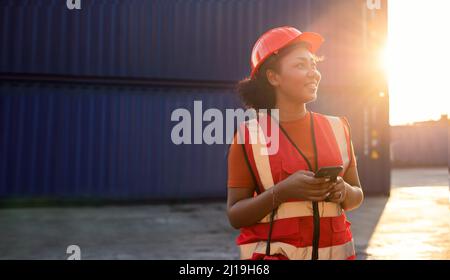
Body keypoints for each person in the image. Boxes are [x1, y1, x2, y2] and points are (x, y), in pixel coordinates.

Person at [226, 26, 364, 260]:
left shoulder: (338, 127)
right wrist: (281, 192)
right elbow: (235, 215)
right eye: (301, 65)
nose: (314, 73)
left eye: (314, 64)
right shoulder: (249, 136)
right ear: (273, 77)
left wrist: (344, 191)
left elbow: (357, 195)